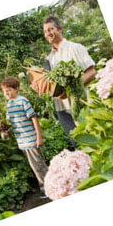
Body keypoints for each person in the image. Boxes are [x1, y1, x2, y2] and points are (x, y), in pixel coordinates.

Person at [43, 16, 96, 147]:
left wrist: (70, 89)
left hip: (80, 103)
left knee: (91, 139)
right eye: (45, 31)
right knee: (76, 143)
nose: (48, 33)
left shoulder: (75, 48)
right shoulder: (49, 59)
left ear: (60, 29)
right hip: (61, 108)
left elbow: (91, 72)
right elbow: (50, 84)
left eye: (51, 29)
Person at [1, 77, 48, 199]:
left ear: (17, 89)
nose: (7, 93)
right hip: (22, 142)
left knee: (39, 166)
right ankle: (48, 187)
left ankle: (48, 188)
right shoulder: (9, 105)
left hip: (31, 139)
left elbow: (34, 118)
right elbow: (12, 123)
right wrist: (5, 130)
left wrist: (39, 137)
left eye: (9, 90)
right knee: (35, 166)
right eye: (5, 91)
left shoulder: (23, 101)